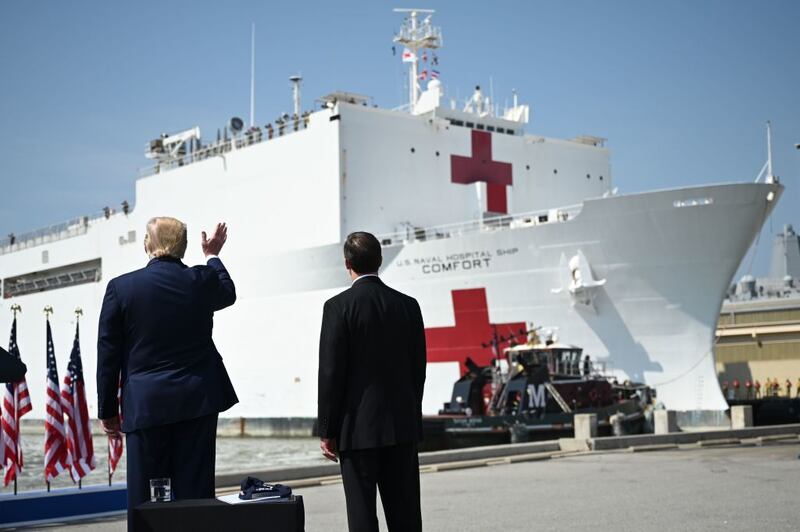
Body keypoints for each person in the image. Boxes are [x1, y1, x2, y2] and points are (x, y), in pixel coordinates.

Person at [97, 218, 238, 528]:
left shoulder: (121, 288)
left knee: (146, 502)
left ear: (148, 245)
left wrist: (107, 409)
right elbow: (227, 293)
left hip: (146, 405)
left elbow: (108, 355)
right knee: (196, 496)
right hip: (197, 401)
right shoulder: (200, 279)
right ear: (184, 246)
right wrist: (212, 255)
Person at [317, 231, 426, 532]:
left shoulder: (338, 307)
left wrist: (327, 430)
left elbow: (330, 373)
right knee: (406, 517)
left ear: (347, 263)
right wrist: (410, 415)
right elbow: (419, 370)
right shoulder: (408, 306)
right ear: (380, 260)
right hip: (401, 428)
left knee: (362, 514)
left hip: (356, 431)